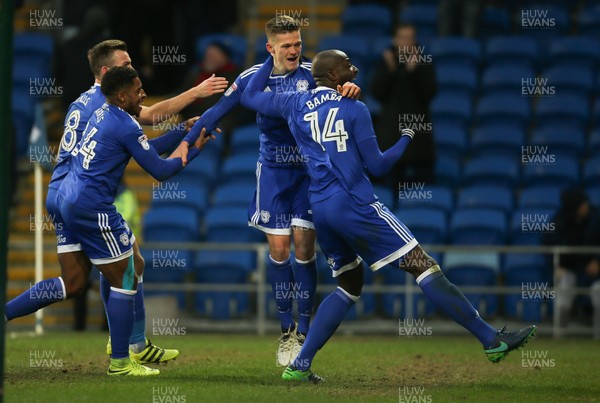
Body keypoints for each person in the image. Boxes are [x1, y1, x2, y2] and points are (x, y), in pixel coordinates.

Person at [240, 51, 536, 382]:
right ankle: (491, 340)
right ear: (335, 77)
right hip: (354, 203)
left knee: (349, 285)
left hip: (320, 208)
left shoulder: (293, 104)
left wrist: (271, 57)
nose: (355, 68)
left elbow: (250, 95)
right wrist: (407, 138)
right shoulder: (355, 108)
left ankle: (300, 364)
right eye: (348, 66)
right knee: (423, 265)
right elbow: (378, 165)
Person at [5, 39, 227, 365]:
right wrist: (195, 96)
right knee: (129, 266)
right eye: (126, 65)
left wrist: (182, 131)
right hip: (84, 196)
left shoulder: (83, 101)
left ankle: (8, 314)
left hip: (61, 193)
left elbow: (134, 143)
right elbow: (149, 119)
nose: (133, 70)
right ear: (109, 73)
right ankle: (128, 349)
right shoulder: (107, 107)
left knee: (76, 281)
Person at [171, 16, 360, 367]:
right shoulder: (251, 79)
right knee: (279, 250)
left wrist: (349, 89)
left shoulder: (312, 75)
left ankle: (303, 332)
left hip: (308, 173)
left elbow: (348, 85)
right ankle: (285, 328)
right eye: (286, 45)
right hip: (273, 173)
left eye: (298, 44)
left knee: (304, 247)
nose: (294, 50)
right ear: (270, 48)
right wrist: (185, 143)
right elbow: (215, 113)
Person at [60, 66, 211, 375]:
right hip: (93, 206)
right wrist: (192, 151)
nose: (143, 93)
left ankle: (136, 346)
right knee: (126, 276)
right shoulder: (124, 124)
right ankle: (121, 360)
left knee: (134, 263)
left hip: (78, 199)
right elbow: (159, 170)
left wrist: (182, 131)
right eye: (138, 89)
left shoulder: (108, 114)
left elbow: (143, 151)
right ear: (121, 95)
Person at [370, 23, 436, 189]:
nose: (405, 42)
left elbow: (430, 93)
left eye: (409, 38)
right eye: (402, 38)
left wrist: (414, 72)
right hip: (390, 135)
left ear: (414, 40)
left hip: (418, 137)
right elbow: (376, 93)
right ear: (395, 39)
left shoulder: (423, 62)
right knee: (388, 188)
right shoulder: (386, 61)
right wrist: (390, 71)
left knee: (420, 188)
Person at [543, 189, 600, 333]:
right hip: (569, 269)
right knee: (563, 288)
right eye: (582, 204)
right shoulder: (559, 221)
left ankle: (597, 335)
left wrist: (597, 261)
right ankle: (559, 333)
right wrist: (556, 266)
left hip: (593, 270)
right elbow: (547, 245)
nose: (586, 206)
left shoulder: (596, 218)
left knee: (598, 290)